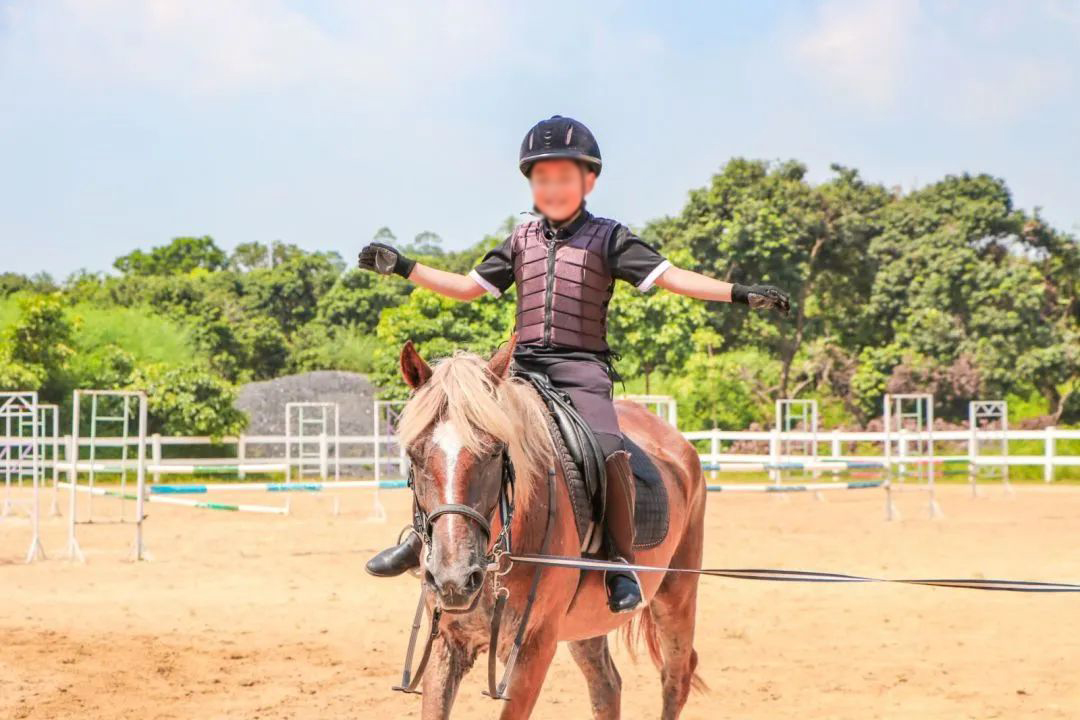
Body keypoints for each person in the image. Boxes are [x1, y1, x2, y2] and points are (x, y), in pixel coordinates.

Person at [358, 115, 790, 613]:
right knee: (456, 437)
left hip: (582, 371)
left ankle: (620, 563)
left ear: (588, 181)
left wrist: (739, 294)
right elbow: (467, 288)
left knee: (607, 449)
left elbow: (672, 277)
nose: (552, 187)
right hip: (521, 369)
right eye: (542, 179)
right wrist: (405, 267)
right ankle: (422, 539)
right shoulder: (520, 240)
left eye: (563, 177)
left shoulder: (610, 239)